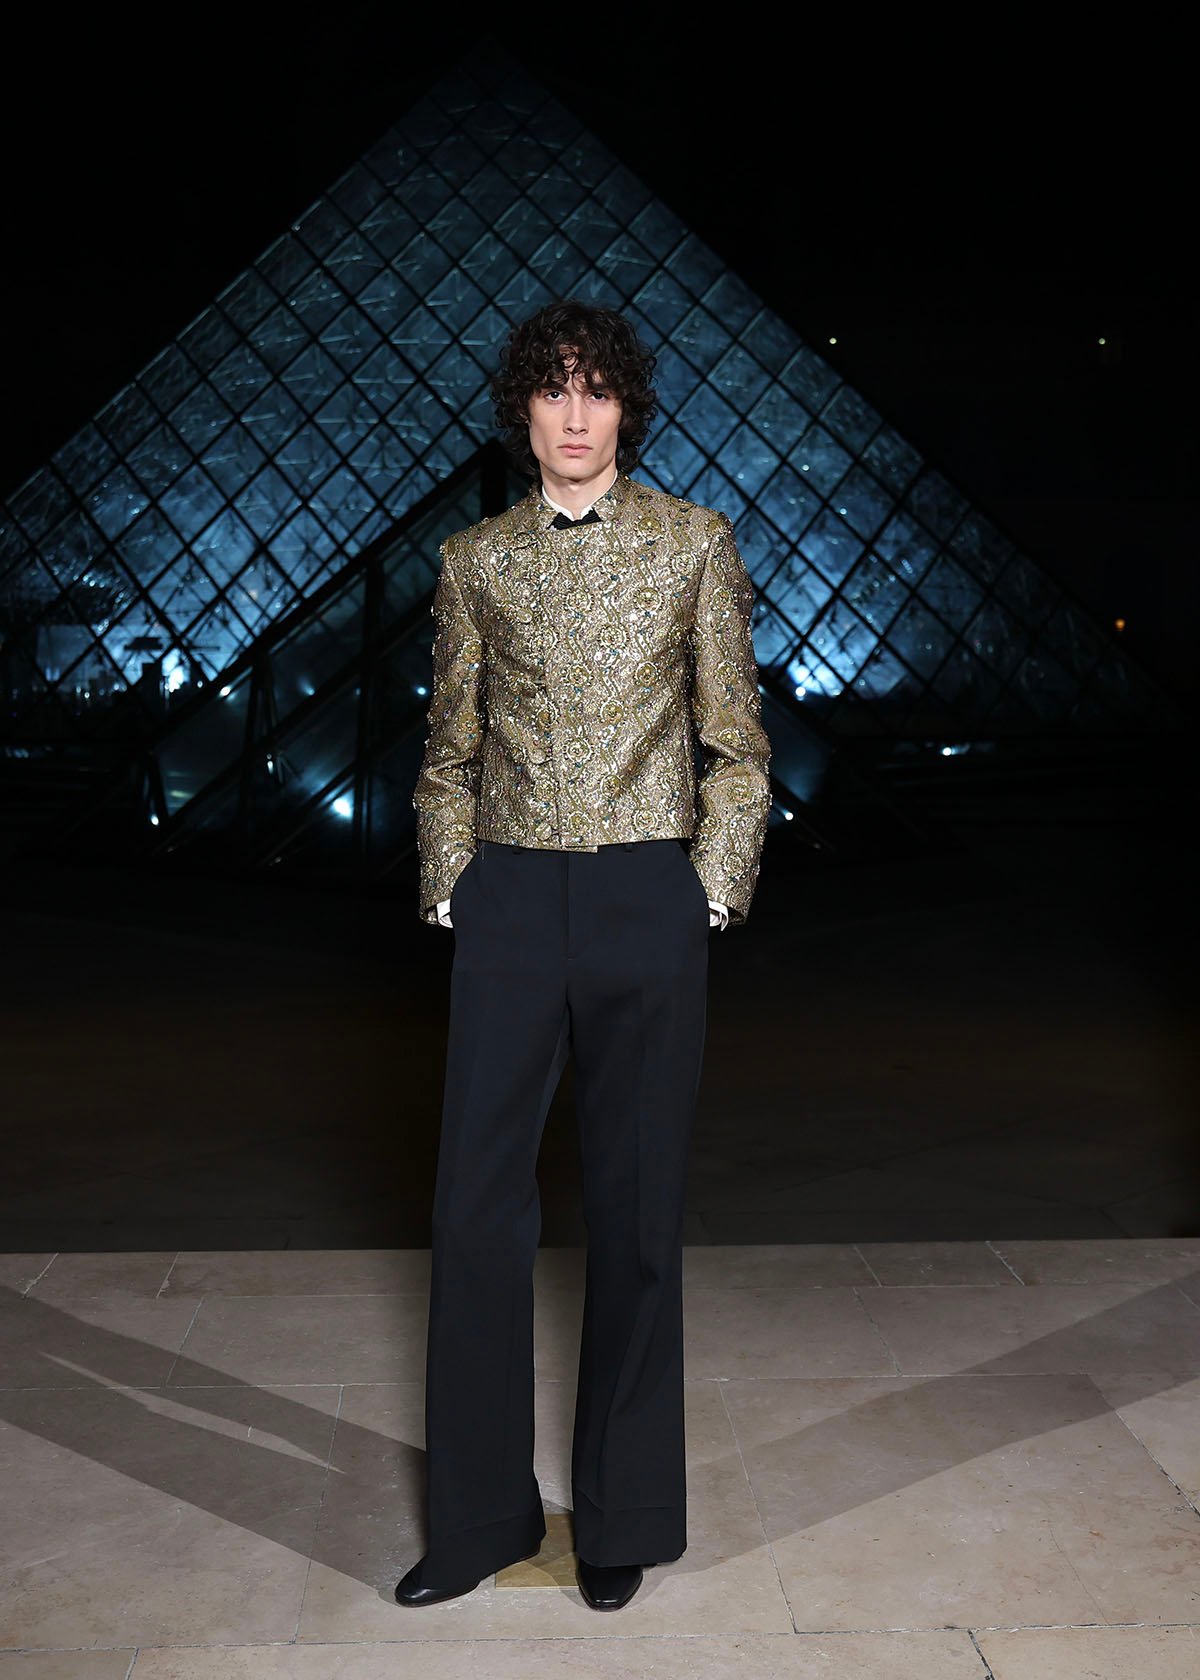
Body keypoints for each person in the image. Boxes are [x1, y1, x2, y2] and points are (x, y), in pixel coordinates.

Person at [396, 298, 772, 1612]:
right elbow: (445, 755)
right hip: (506, 903)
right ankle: (480, 1518)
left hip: (643, 904)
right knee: (471, 1215)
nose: (572, 414)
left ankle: (621, 1517)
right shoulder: (473, 561)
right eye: (552, 390)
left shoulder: (693, 546)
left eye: (596, 390)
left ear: (626, 408)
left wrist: (703, 897)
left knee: (636, 1219)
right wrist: (456, 885)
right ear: (523, 410)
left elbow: (738, 751)